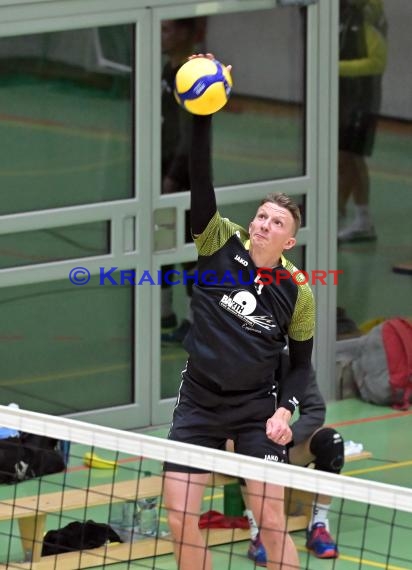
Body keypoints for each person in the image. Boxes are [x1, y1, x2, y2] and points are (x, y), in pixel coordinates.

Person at [163, 53, 316, 570]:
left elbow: (301, 365)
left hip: (255, 408)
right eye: (261, 215)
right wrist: (201, 115)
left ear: (289, 239)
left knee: (270, 519)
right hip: (199, 401)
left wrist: (283, 410)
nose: (264, 223)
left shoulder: (298, 291)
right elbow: (200, 181)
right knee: (181, 516)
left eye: (276, 221)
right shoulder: (217, 243)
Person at [236, 353, 344, 565]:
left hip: (282, 444)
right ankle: (257, 533)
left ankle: (318, 525)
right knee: (249, 448)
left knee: (331, 441)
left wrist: (287, 437)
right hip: (241, 444)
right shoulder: (239, 360)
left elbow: (315, 411)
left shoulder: (294, 363)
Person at [160, 18, 205, 340]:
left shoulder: (194, 74)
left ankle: (196, 319)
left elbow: (192, 135)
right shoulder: (166, 69)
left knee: (190, 249)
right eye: (162, 29)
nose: (164, 36)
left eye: (171, 29)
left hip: (187, 174)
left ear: (189, 33)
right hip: (161, 169)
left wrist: (174, 175)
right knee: (162, 241)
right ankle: (163, 313)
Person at [338, 0, 388, 242]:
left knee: (353, 157)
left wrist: (334, 68)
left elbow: (378, 61)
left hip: (362, 97)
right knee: (343, 157)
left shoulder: (367, 14)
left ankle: (363, 220)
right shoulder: (340, 13)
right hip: (343, 98)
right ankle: (337, 212)